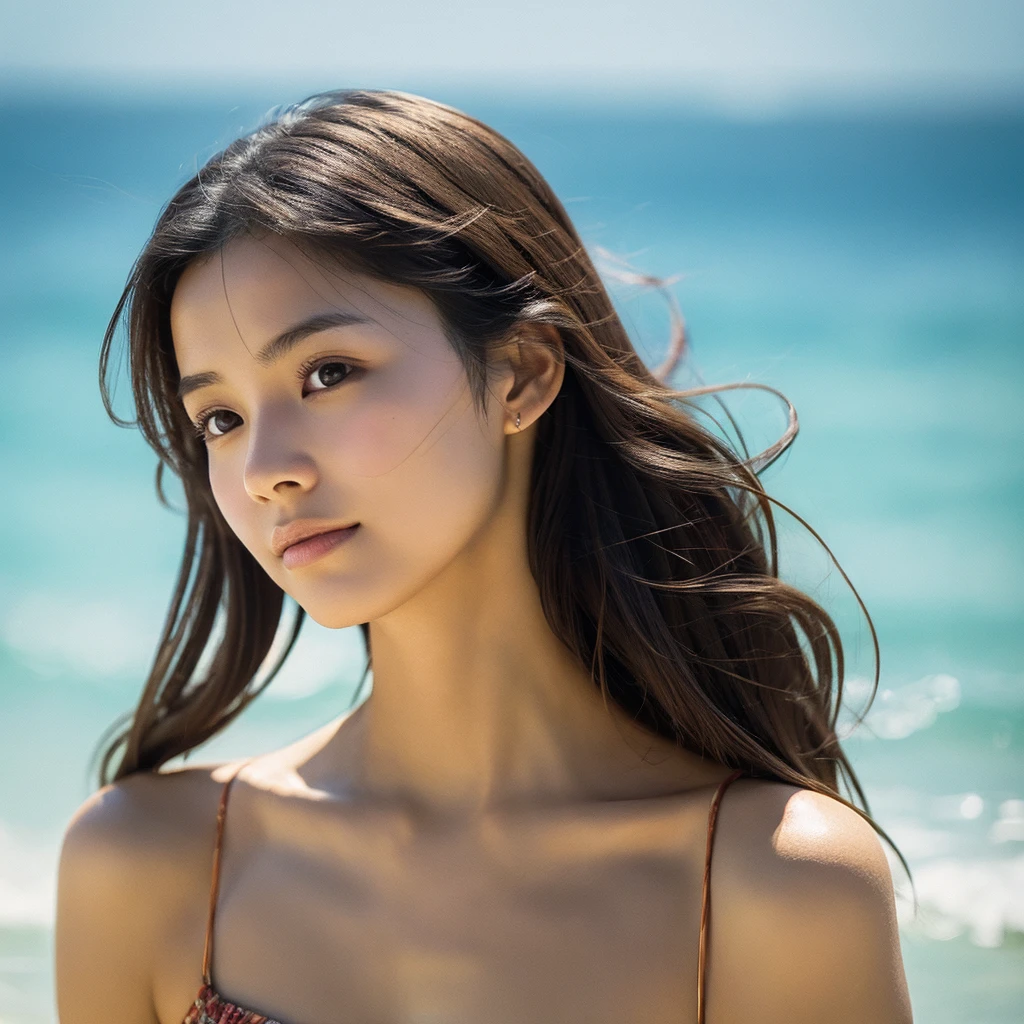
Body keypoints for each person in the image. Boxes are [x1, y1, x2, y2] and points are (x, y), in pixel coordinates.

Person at [54, 89, 914, 1023]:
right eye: (220, 418)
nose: (264, 471)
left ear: (524, 372)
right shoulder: (150, 866)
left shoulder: (777, 888)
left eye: (327, 373)